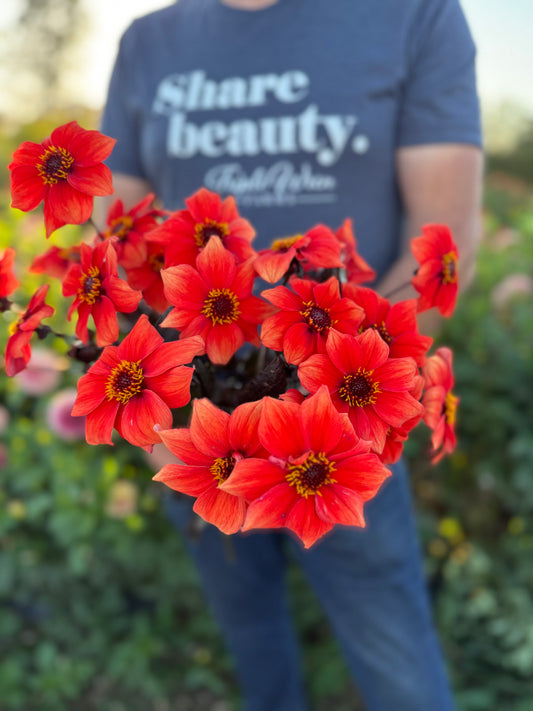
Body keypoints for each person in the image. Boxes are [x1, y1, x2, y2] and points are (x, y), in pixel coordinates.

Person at [99, 1, 484, 709]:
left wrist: (351, 408)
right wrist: (150, 420)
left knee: (393, 651)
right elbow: (111, 237)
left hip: (341, 424)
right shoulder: (149, 41)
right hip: (194, 427)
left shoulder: (412, 15)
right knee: (249, 634)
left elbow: (445, 240)